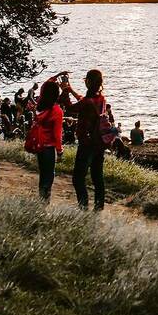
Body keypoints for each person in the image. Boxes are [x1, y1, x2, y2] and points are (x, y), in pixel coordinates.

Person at [64, 69, 107, 211]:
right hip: (99, 143)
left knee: (78, 178)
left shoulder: (87, 102)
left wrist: (64, 92)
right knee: (97, 177)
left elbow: (70, 107)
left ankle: (83, 208)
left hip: (86, 144)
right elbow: (84, 100)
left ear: (88, 82)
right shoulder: (101, 98)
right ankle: (99, 208)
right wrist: (70, 90)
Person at [33, 79, 64, 202]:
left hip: (39, 145)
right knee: (49, 176)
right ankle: (45, 201)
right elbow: (57, 135)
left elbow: (45, 86)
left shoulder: (40, 108)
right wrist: (60, 151)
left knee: (43, 174)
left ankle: (42, 198)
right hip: (49, 148)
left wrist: (56, 77)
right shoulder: (57, 111)